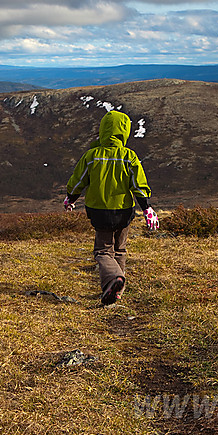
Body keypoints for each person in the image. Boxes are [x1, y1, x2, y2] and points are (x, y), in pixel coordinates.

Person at [64, 110, 159, 305]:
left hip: (99, 211)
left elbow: (78, 181)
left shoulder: (92, 156)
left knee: (103, 251)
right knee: (120, 249)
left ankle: (113, 280)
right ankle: (117, 291)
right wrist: (147, 208)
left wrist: (70, 198)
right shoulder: (129, 156)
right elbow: (138, 185)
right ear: (124, 131)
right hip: (124, 211)